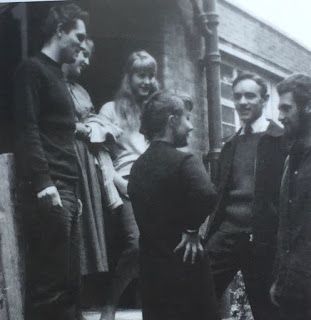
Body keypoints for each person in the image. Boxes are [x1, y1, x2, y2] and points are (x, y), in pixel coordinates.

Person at [13, 4, 88, 320]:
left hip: (66, 189)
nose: (82, 45)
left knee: (69, 283)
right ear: (60, 30)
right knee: (49, 286)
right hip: (49, 189)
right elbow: (27, 129)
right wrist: (45, 184)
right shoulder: (32, 70)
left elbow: (63, 137)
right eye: (78, 36)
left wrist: (73, 189)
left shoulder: (59, 75)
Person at [128, 91, 219, 320]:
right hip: (187, 270)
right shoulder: (184, 161)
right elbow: (207, 193)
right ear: (172, 121)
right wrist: (191, 229)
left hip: (152, 276)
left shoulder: (137, 167)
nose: (190, 127)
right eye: (186, 119)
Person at [205, 72, 285, 320]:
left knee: (267, 308)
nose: (242, 102)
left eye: (250, 96)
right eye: (237, 96)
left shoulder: (280, 140)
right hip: (227, 234)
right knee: (197, 291)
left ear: (264, 99)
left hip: (262, 239)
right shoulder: (230, 145)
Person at [98, 50, 159, 320]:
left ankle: (153, 308)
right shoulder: (110, 110)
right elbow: (102, 156)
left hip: (157, 184)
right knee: (136, 244)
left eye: (150, 75)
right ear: (128, 76)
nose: (146, 81)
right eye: (140, 75)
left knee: (159, 249)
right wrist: (117, 182)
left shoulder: (157, 109)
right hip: (126, 182)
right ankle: (110, 304)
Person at [62, 39, 112, 276]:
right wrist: (80, 128)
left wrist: (96, 125)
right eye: (82, 53)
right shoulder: (53, 84)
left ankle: (85, 291)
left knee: (88, 223)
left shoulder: (81, 90)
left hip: (85, 156)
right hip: (66, 154)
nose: (86, 60)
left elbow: (90, 115)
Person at [270, 74, 311, 320]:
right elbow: (286, 227)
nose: (280, 116)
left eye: (286, 108)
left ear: (308, 107)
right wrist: (279, 280)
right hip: (292, 290)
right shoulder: (291, 159)